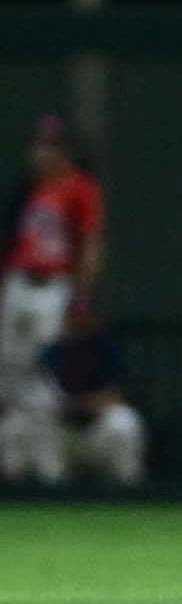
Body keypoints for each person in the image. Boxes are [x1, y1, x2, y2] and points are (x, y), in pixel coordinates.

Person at [0, 114, 104, 408]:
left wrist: (83, 292)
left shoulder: (80, 187)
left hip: (54, 285)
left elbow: (89, 242)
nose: (40, 152)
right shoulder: (26, 191)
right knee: (7, 364)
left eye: (49, 146)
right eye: (39, 144)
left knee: (42, 363)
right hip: (18, 281)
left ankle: (42, 445)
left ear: (65, 151)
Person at [0, 296, 146, 485]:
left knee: (125, 423)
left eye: (85, 317)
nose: (81, 322)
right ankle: (48, 500)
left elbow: (117, 393)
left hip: (97, 427)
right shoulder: (54, 352)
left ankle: (129, 493)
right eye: (76, 317)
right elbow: (40, 393)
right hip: (61, 428)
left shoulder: (107, 349)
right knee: (25, 426)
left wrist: (86, 404)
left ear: (95, 319)